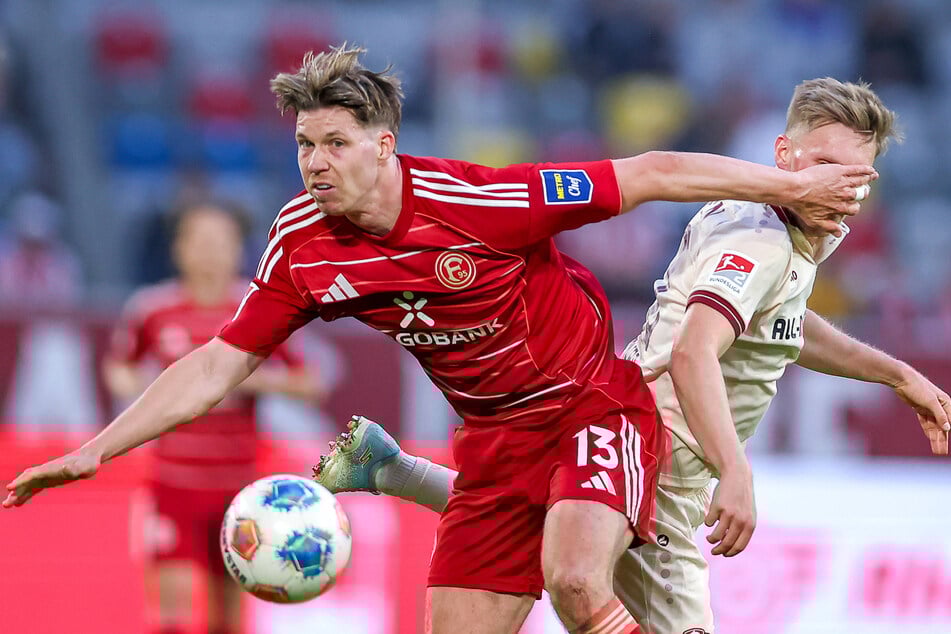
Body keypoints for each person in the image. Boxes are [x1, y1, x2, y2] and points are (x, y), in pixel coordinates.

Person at [4, 46, 877, 634]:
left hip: (588, 407)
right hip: (492, 444)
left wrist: (787, 187)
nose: (315, 162)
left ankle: (396, 471)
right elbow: (216, 365)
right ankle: (397, 469)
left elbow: (647, 174)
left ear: (383, 146)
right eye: (305, 144)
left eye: (335, 144)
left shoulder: (478, 202)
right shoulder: (301, 245)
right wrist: (96, 450)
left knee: (578, 583)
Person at [311, 77, 951, 633]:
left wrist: (896, 374)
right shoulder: (767, 243)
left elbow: (777, 322)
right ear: (784, 154)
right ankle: (402, 474)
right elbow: (697, 352)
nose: (837, 188)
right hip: (669, 463)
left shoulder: (774, 221)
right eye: (822, 165)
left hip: (632, 429)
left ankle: (400, 473)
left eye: (855, 178)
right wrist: (736, 468)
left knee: (551, 529)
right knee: (582, 573)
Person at [103, 199, 324, 634]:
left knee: (230, 617)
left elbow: (310, 382)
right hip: (174, 485)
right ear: (179, 249)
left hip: (239, 492)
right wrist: (155, 390)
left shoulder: (259, 308)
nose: (208, 251)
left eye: (220, 241)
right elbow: (118, 368)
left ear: (238, 248)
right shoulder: (152, 309)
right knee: (172, 615)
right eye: (198, 240)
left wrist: (246, 381)